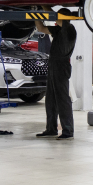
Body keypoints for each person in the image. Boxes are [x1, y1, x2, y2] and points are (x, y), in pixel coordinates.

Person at [34, 10, 77, 140]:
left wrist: (46, 8)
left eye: (57, 16)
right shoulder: (58, 30)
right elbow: (41, 28)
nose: (55, 19)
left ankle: (68, 131)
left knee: (62, 100)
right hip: (53, 66)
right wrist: (35, 14)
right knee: (50, 100)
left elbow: (59, 20)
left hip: (61, 67)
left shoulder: (69, 30)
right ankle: (51, 129)